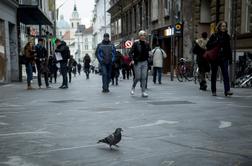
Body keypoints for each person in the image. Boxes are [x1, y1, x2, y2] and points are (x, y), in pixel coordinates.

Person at [206, 21, 233, 96]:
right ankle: (213, 91)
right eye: (222, 26)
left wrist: (230, 58)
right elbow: (208, 45)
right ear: (219, 27)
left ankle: (227, 90)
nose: (224, 27)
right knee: (214, 74)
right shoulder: (214, 35)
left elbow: (228, 48)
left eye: (225, 26)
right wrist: (216, 42)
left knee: (225, 74)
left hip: (224, 57)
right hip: (215, 58)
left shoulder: (227, 36)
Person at [129, 30, 151, 97]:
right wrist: (132, 59)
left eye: (144, 35)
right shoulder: (136, 44)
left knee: (144, 77)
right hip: (137, 62)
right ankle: (133, 87)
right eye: (141, 35)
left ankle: (143, 92)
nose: (143, 36)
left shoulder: (147, 44)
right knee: (138, 77)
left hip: (145, 62)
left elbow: (149, 52)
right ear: (139, 36)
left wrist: (150, 54)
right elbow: (130, 53)